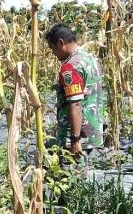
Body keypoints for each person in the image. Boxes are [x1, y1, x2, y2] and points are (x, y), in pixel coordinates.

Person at [45, 23, 105, 158]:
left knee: (71, 174)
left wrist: (74, 139)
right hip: (92, 132)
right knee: (81, 174)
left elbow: (76, 104)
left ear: (61, 43)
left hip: (76, 136)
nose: (53, 53)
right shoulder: (91, 59)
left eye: (52, 48)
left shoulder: (70, 67)